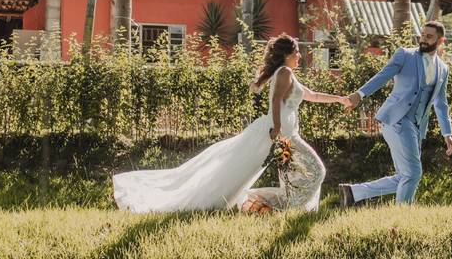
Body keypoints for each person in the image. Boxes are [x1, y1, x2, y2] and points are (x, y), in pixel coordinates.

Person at [112, 33, 349, 213]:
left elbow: (312, 95)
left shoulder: (288, 74)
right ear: (288, 53)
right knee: (317, 170)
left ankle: (259, 201)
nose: (300, 56)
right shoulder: (285, 73)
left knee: (296, 174)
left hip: (285, 134)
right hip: (282, 134)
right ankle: (272, 204)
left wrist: (339, 99)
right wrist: (276, 128)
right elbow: (276, 100)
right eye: (297, 52)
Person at [338, 21, 452, 206]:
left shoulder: (443, 69)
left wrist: (447, 133)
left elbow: (441, 102)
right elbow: (382, 76)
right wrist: (359, 95)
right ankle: (402, 217)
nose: (423, 39)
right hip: (397, 120)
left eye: (429, 36)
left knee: (404, 176)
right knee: (413, 174)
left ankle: (353, 192)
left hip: (416, 126)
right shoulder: (405, 55)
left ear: (441, 41)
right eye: (422, 35)